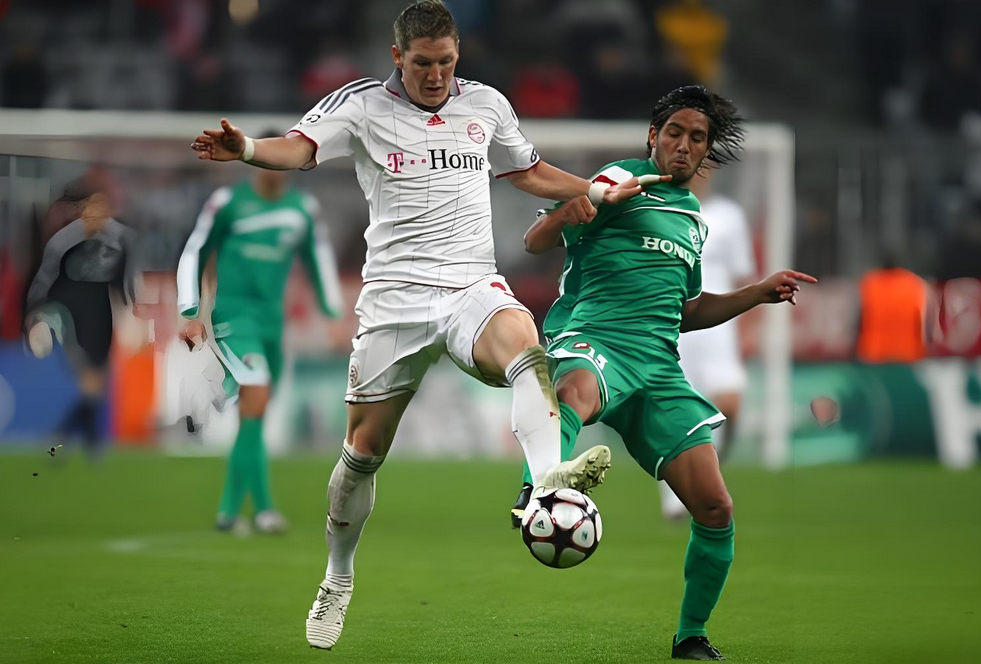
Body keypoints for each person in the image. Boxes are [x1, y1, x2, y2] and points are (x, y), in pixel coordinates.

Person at [190, 0, 646, 650]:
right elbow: (299, 148)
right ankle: (337, 576)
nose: (436, 76)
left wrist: (594, 191)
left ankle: (545, 483)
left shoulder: (485, 104)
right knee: (361, 455)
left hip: (470, 285)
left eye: (447, 63)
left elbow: (527, 171)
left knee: (527, 349)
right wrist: (249, 149)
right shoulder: (361, 105)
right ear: (397, 56)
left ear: (459, 56)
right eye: (424, 63)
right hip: (394, 300)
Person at [519, 85, 816, 660]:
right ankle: (538, 490)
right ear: (654, 135)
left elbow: (688, 311)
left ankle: (691, 637)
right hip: (596, 338)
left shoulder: (692, 219)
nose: (684, 145)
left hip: (658, 368)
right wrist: (572, 210)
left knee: (716, 507)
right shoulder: (621, 180)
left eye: (696, 138)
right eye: (674, 133)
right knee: (572, 392)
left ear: (706, 150)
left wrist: (757, 292)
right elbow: (535, 241)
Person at [177, 153, 344, 535]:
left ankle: (228, 511)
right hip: (234, 319)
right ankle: (265, 509)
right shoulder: (228, 202)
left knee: (254, 416)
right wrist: (190, 310)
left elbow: (318, 259)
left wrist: (333, 313)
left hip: (272, 323)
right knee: (256, 398)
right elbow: (196, 249)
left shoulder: (301, 209)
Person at [660, 170, 755, 521]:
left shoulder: (729, 217)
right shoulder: (661, 209)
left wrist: (748, 329)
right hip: (676, 324)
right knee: (677, 413)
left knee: (730, 403)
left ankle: (708, 474)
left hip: (719, 327)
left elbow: (743, 277)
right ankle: (675, 497)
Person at [24, 193, 135, 456]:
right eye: (91, 210)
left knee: (96, 380)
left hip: (101, 307)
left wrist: (130, 309)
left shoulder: (122, 237)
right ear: (83, 211)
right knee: (90, 378)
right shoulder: (66, 239)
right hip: (69, 308)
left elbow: (127, 277)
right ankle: (88, 442)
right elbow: (44, 277)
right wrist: (32, 314)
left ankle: (64, 439)